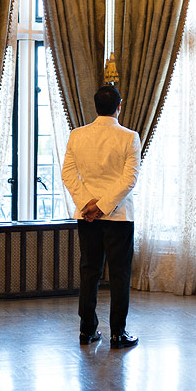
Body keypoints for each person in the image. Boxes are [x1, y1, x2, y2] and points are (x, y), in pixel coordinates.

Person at [61, 84, 141, 349]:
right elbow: (129, 179)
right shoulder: (130, 137)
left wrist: (89, 204)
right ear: (119, 106)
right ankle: (118, 333)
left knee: (89, 272)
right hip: (118, 217)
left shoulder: (76, 135)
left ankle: (86, 331)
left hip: (87, 217)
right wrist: (104, 206)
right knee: (119, 275)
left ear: (95, 107)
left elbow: (68, 175)